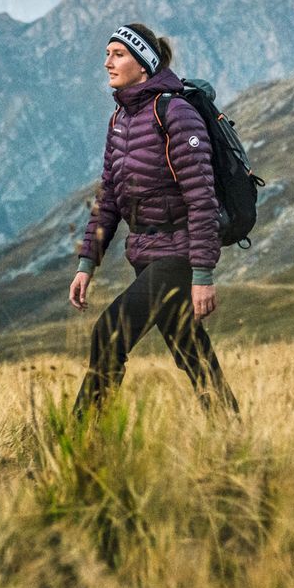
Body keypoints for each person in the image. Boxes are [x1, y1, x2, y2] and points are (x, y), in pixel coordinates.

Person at [68, 23, 240, 415]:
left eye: (118, 54)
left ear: (143, 64)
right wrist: (86, 263)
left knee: (108, 334)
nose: (107, 62)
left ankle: (83, 437)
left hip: (177, 255)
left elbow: (201, 197)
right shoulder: (121, 120)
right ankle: (231, 431)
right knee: (190, 350)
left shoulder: (175, 113)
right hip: (145, 253)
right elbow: (109, 197)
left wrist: (202, 275)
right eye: (107, 53)